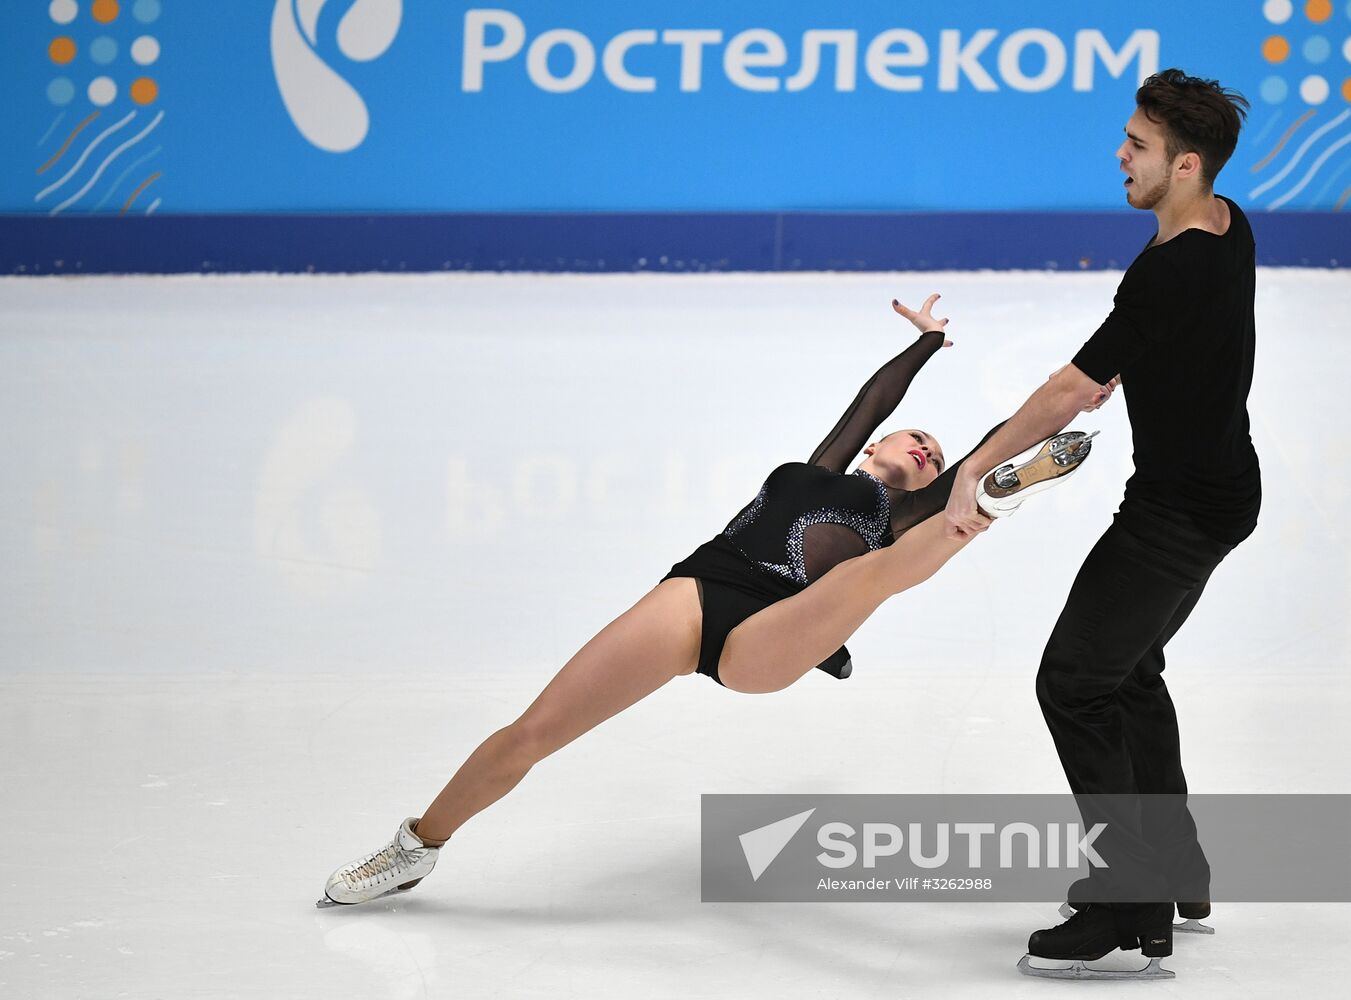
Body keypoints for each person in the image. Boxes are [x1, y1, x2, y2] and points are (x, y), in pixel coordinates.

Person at [316, 293, 1098, 908]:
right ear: (873, 447)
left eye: (935, 455)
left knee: (877, 572)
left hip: (776, 634)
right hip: (699, 595)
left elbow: (1000, 428)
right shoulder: (818, 464)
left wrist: (1067, 403)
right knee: (531, 732)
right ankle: (415, 846)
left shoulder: (903, 513)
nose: (923, 447)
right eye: (913, 439)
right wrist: (923, 344)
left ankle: (988, 504)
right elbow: (873, 399)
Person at [942, 69, 1259, 981]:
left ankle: (1126, 903)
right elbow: (1167, 341)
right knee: (1125, 673)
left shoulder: (1169, 268)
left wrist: (974, 468)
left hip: (1179, 511)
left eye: (1138, 145)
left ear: (1186, 165)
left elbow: (1071, 388)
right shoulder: (1227, 223)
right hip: (1217, 494)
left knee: (1073, 683)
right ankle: (1178, 868)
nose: (1118, 154)